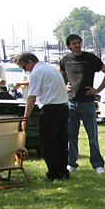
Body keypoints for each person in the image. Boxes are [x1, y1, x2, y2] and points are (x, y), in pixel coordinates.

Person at [60, 34, 105, 174]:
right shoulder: (65, 60)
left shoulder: (90, 59)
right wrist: (64, 84)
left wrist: (97, 90)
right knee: (71, 135)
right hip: (71, 103)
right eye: (74, 43)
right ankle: (72, 163)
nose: (77, 45)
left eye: (79, 42)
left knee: (92, 135)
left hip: (88, 103)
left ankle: (97, 165)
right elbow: (59, 72)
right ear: (69, 46)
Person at [16, 52, 69, 181]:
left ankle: (53, 173)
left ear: (29, 62)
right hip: (63, 107)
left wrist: (25, 118)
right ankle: (62, 171)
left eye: (24, 67)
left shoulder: (36, 72)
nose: (25, 71)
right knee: (61, 142)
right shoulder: (51, 68)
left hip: (50, 109)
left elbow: (31, 98)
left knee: (47, 144)